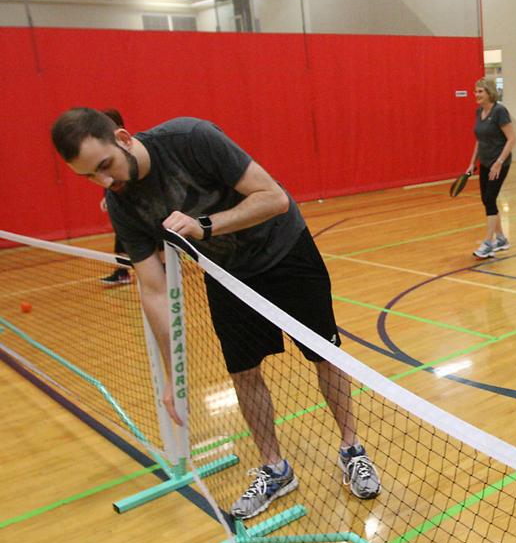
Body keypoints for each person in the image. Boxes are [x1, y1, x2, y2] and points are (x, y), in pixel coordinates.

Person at [50, 108, 382, 519]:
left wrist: (203, 226)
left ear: (122, 137)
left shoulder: (191, 139)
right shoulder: (122, 205)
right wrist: (173, 376)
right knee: (243, 371)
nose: (104, 183)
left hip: (285, 251)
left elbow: (274, 198)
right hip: (226, 274)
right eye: (88, 177)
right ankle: (275, 470)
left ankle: (352, 448)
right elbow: (153, 289)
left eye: (105, 166)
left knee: (324, 355)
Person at [465, 78, 516, 259]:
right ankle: (501, 239)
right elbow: (480, 140)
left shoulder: (500, 111)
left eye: (480, 91)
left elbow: (511, 139)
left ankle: (488, 243)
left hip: (499, 163)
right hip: (485, 162)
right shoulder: (479, 111)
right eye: (475, 91)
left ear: (489, 92)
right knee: (486, 199)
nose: (477, 95)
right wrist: (472, 162)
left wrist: (499, 161)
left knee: (489, 198)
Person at [98, 108, 132, 287]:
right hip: (122, 201)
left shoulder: (125, 145)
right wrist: (107, 197)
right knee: (122, 235)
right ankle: (122, 272)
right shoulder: (105, 149)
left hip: (137, 201)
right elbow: (110, 177)